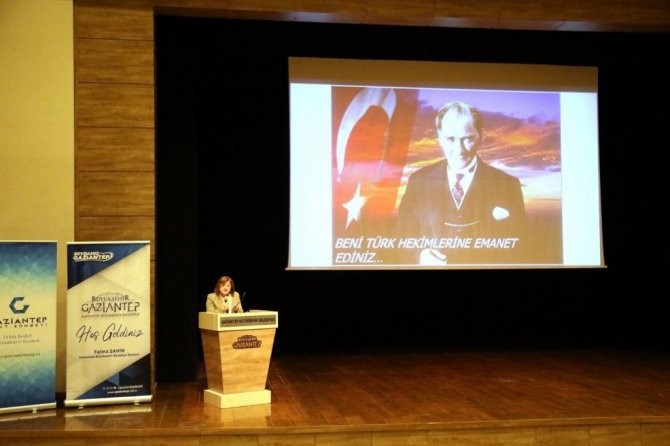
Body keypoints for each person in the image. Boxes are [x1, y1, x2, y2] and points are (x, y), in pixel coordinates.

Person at [394, 101, 527, 265]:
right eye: (450, 139)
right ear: (439, 138)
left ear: (480, 136)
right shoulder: (418, 181)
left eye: (467, 139)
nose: (459, 150)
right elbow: (401, 235)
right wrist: (420, 255)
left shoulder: (508, 185)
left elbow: (520, 244)